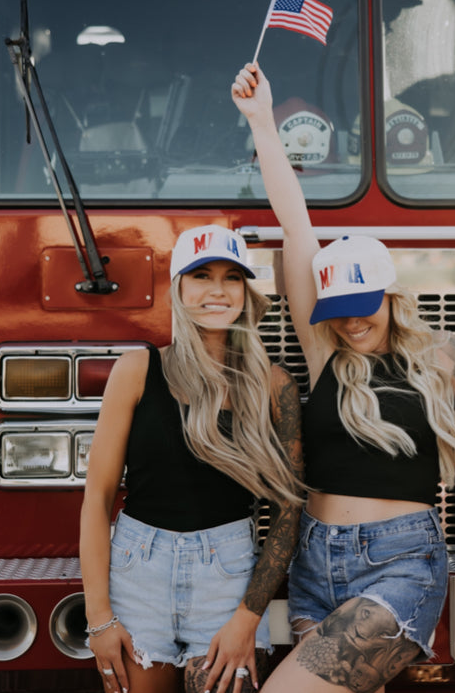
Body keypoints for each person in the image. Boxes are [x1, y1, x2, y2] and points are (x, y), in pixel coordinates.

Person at [231, 63, 455, 693]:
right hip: (317, 563)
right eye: (336, 311)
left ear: (392, 296)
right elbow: (295, 224)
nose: (349, 322)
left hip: (401, 561)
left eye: (362, 306)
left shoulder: (442, 360)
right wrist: (262, 122)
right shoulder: (327, 355)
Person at [79, 224, 305, 693]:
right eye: (202, 276)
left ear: (246, 291)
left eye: (232, 278)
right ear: (178, 288)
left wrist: (247, 617)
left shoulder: (273, 385)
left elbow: (288, 513)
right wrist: (99, 618)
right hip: (138, 569)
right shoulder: (138, 370)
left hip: (228, 576)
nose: (217, 291)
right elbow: (97, 499)